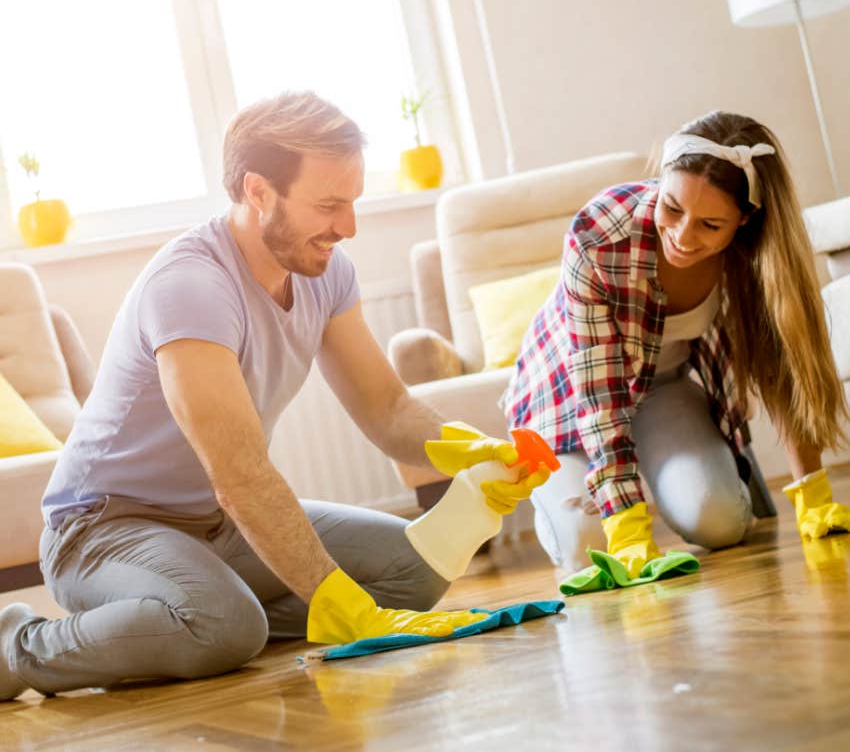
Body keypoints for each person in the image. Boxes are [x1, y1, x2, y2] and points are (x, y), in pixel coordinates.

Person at [0, 91, 546, 701]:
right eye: (329, 205)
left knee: (409, 573)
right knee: (223, 628)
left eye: (353, 202)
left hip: (213, 521)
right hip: (103, 529)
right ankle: (18, 647)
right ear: (258, 191)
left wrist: (474, 452)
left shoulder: (326, 271)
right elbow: (239, 472)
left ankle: (209, 615)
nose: (349, 227)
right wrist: (344, 605)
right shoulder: (191, 286)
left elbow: (387, 409)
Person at [504, 110, 850, 576]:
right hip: (567, 393)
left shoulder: (755, 259)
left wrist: (812, 492)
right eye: (671, 208)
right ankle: (558, 497)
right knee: (590, 547)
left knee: (720, 523)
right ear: (661, 181)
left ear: (744, 222)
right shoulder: (599, 234)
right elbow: (601, 395)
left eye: (710, 225)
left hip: (662, 388)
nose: (683, 237)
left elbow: (780, 366)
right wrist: (626, 522)